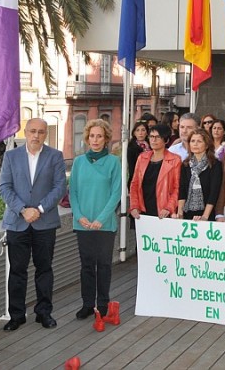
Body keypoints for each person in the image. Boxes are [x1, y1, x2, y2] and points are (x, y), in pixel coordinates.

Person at [0, 118, 66, 331]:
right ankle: (16, 316)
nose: (36, 135)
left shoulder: (55, 156)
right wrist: (22, 209)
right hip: (17, 223)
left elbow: (59, 187)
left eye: (41, 132)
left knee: (44, 269)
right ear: (25, 132)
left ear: (46, 134)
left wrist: (40, 209)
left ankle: (44, 313)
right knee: (17, 271)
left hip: (44, 222)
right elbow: (4, 187)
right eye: (32, 131)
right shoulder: (11, 157)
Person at [69, 119, 122, 320]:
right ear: (87, 138)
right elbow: (72, 192)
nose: (95, 140)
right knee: (87, 265)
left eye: (100, 136)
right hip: (82, 224)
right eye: (92, 136)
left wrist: (101, 218)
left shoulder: (113, 162)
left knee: (104, 265)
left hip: (105, 224)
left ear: (106, 139)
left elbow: (116, 193)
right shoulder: (78, 162)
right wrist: (79, 216)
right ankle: (88, 305)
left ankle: (103, 303)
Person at [129, 124, 182, 220]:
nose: (153, 140)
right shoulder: (142, 157)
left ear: (166, 140)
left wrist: (169, 208)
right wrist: (134, 205)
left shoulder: (175, 159)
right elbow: (135, 184)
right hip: (141, 211)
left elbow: (176, 188)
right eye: (151, 137)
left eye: (157, 137)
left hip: (163, 212)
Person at [176, 128, 222, 221]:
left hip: (207, 214)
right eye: (192, 141)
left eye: (199, 141)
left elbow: (214, 193)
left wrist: (205, 216)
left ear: (206, 145)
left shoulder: (215, 165)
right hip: (187, 213)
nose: (195, 144)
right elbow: (182, 190)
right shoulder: (185, 164)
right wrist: (180, 212)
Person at [126, 121, 150, 187]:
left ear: (147, 132)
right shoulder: (131, 147)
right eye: (138, 130)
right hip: (137, 180)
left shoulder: (151, 145)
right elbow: (131, 167)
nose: (140, 133)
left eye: (143, 130)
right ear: (134, 133)